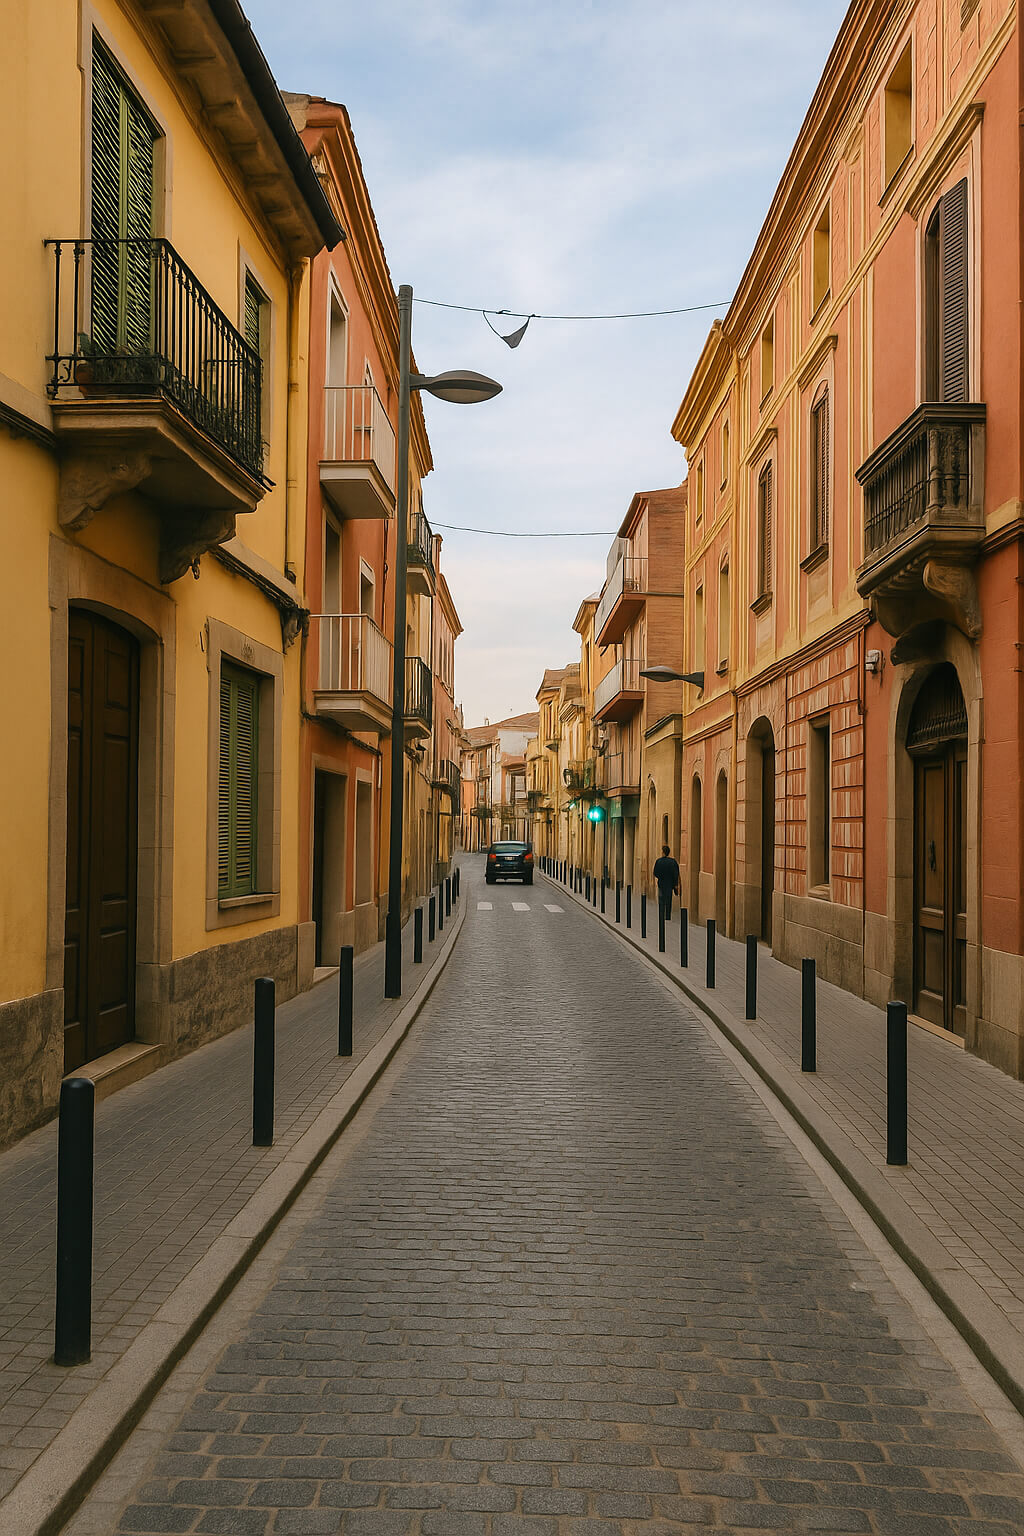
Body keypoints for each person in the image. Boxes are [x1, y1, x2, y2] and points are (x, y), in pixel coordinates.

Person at [652, 844, 681, 919]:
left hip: (661, 883)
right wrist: (675, 884)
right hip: (669, 884)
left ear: (663, 852)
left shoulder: (659, 861)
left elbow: (655, 872)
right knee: (668, 900)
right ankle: (668, 915)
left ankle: (661, 914)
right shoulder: (673, 862)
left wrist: (660, 877)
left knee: (661, 899)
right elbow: (676, 874)